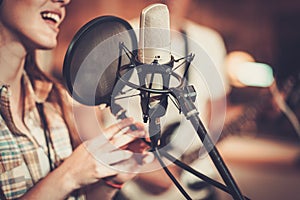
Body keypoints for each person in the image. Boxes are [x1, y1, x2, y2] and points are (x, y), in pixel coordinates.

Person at [0, 0, 151, 199]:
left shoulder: (58, 101)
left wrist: (112, 178)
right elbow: (68, 179)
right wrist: (69, 175)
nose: (64, 0)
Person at [112, 1, 230, 199]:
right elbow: (97, 119)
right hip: (133, 188)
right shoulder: (122, 36)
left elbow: (215, 115)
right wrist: (139, 168)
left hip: (195, 183)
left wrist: (258, 111)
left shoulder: (210, 41)